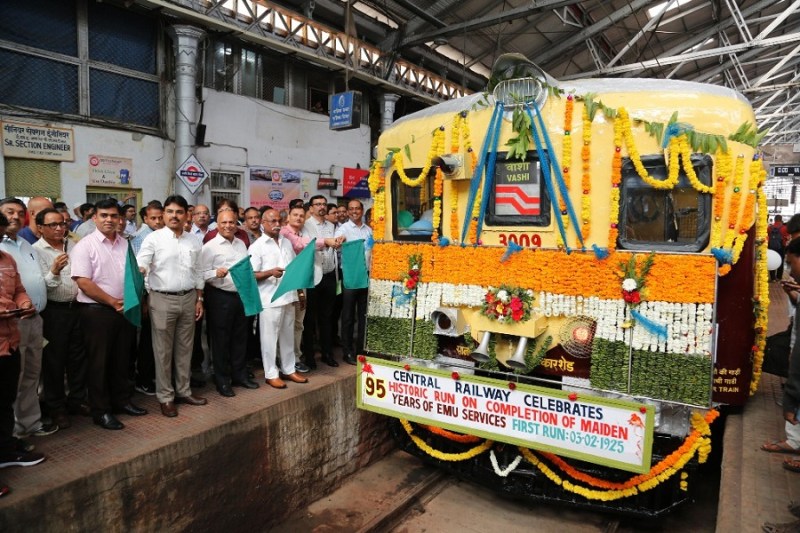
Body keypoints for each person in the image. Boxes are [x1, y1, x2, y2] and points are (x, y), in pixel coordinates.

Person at [71, 199, 147, 430]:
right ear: (94, 218)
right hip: (97, 312)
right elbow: (83, 282)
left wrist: (138, 300)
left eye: (114, 216)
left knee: (122, 359)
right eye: (104, 215)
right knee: (99, 363)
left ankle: (121, 401)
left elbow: (133, 275)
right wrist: (112, 301)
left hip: (124, 310)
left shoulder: (124, 243)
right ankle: (101, 411)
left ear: (120, 219)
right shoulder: (85, 246)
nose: (109, 220)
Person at [137, 195, 207, 418]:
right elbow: (142, 266)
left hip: (189, 298)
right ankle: (166, 397)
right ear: (164, 214)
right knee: (163, 351)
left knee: (185, 349)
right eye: (170, 211)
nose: (174, 216)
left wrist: (199, 299)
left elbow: (198, 271)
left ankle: (184, 391)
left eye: (179, 212)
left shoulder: (194, 241)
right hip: (161, 299)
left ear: (186, 215)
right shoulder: (153, 239)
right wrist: (140, 278)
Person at [0, 198, 57, 438]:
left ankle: (30, 423)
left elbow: (25, 285)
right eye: (9, 212)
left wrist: (26, 300)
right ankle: (11, 431)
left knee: (33, 374)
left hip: (35, 318)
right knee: (14, 378)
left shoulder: (25, 244)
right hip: (11, 324)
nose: (15, 216)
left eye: (19, 213)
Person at [33, 208, 89, 429]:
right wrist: (54, 270)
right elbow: (41, 287)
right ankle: (56, 407)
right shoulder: (36, 251)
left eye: (62, 224)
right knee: (54, 361)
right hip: (54, 312)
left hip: (78, 307)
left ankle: (76, 400)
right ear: (40, 228)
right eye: (52, 225)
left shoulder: (74, 245)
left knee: (78, 357)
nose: (59, 228)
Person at [0, 212, 46, 472]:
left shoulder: (9, 257)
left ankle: (9, 445)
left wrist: (24, 302)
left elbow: (18, 289)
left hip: (14, 333)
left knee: (9, 392)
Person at [199, 209, 255, 397]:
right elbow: (201, 274)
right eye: (224, 223)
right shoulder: (210, 247)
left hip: (240, 295)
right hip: (219, 297)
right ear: (217, 225)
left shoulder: (240, 243)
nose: (228, 226)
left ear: (236, 224)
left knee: (240, 337)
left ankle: (239, 375)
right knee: (220, 340)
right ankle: (222, 379)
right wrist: (215, 273)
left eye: (232, 222)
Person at [250, 208, 308, 389]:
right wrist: (269, 273)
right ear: (263, 223)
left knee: (287, 336)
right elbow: (250, 275)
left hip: (289, 296)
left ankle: (289, 369)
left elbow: (293, 269)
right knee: (269, 338)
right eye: (272, 221)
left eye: (278, 221)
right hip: (270, 299)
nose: (276, 224)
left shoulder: (286, 242)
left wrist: (299, 292)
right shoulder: (257, 246)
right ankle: (271, 373)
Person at [302, 195, 344, 368]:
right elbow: (307, 245)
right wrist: (326, 243)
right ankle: (309, 357)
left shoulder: (331, 225)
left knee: (327, 318)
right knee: (309, 320)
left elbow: (335, 246)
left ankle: (327, 353)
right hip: (313, 276)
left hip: (329, 274)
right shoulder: (306, 226)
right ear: (311, 208)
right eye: (317, 204)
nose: (321, 207)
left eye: (324, 204)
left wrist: (339, 242)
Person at [335, 199, 372, 366]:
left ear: (362, 210)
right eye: (351, 209)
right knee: (348, 316)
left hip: (366, 276)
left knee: (364, 315)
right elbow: (336, 244)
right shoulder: (342, 229)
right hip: (349, 276)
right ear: (348, 212)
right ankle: (347, 351)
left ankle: (361, 350)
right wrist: (339, 241)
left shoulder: (369, 231)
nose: (354, 211)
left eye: (357, 208)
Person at [280, 204, 312, 374]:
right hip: (286, 285)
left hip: (302, 282)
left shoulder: (303, 233)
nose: (298, 218)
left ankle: (296, 357)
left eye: (301, 215)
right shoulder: (284, 233)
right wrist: (323, 241)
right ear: (288, 217)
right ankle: (283, 359)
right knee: (285, 323)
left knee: (298, 323)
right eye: (295, 215)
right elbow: (300, 245)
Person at [769, 215, 791, 282]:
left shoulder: (769, 227)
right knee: (781, 261)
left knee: (771, 261)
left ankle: (772, 278)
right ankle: (779, 277)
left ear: (774, 219)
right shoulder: (785, 228)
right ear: (781, 220)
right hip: (781, 247)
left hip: (771, 247)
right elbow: (788, 238)